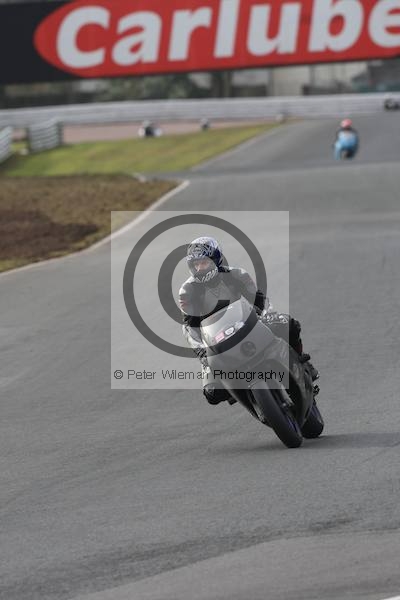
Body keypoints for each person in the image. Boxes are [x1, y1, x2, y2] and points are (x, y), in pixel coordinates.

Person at [179, 236, 319, 406]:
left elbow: (259, 300)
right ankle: (245, 393)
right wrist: (201, 351)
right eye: (196, 264)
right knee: (213, 393)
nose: (200, 268)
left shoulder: (236, 274)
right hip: (216, 341)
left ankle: (304, 364)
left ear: (216, 260)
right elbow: (189, 327)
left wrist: (266, 315)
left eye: (204, 263)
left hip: (247, 325)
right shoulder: (187, 291)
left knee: (289, 324)